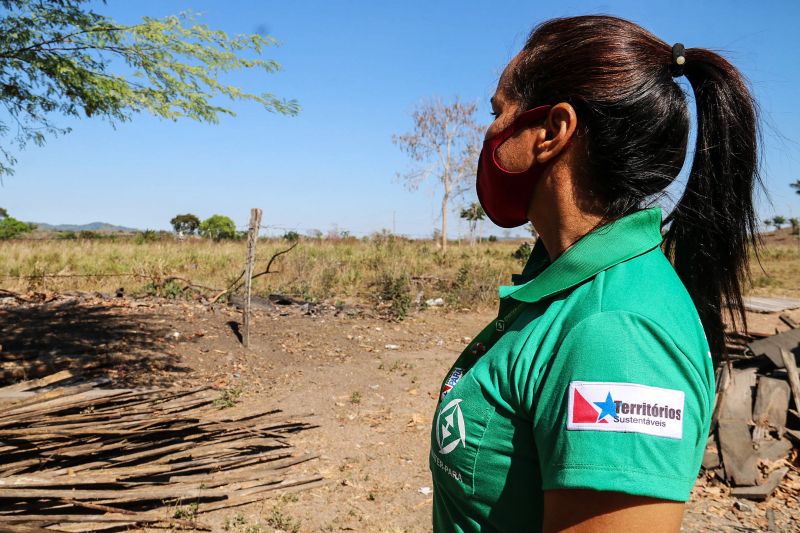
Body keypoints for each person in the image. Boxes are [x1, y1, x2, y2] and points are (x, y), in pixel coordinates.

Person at [429, 15, 759, 533]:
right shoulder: (566, 282)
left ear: (553, 131)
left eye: (498, 112)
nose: (490, 131)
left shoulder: (617, 333)